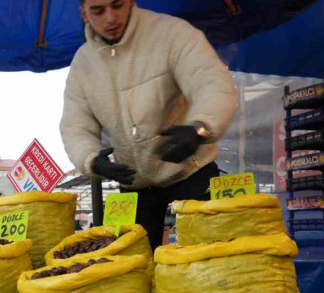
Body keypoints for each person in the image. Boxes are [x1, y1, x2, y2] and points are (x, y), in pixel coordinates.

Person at [61, 0, 238, 250]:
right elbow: (74, 124)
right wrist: (90, 159)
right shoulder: (82, 64)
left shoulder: (173, 33)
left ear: (131, 2)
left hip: (192, 173)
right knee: (135, 270)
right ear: (84, 14)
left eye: (117, 5)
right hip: (134, 186)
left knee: (208, 261)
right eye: (98, 10)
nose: (110, 17)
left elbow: (212, 82)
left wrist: (199, 129)